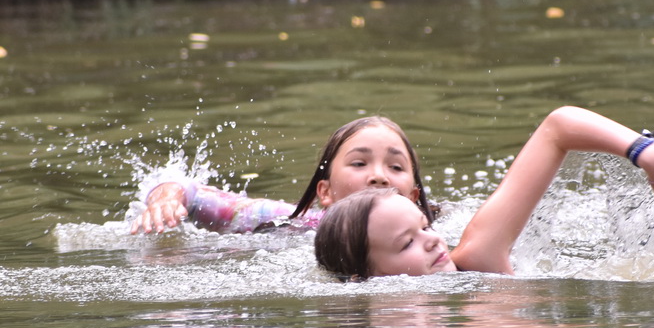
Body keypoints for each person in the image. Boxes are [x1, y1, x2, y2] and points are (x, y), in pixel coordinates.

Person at [315, 106, 654, 279]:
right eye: (407, 243)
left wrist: (653, 157)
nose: (433, 240)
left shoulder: (475, 259)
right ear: (362, 277)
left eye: (424, 226)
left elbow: (558, 127)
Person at [129, 116, 435, 234]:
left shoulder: (433, 242)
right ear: (325, 192)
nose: (379, 176)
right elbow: (190, 190)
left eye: (396, 167)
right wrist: (166, 200)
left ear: (413, 197)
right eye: (359, 163)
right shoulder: (290, 224)